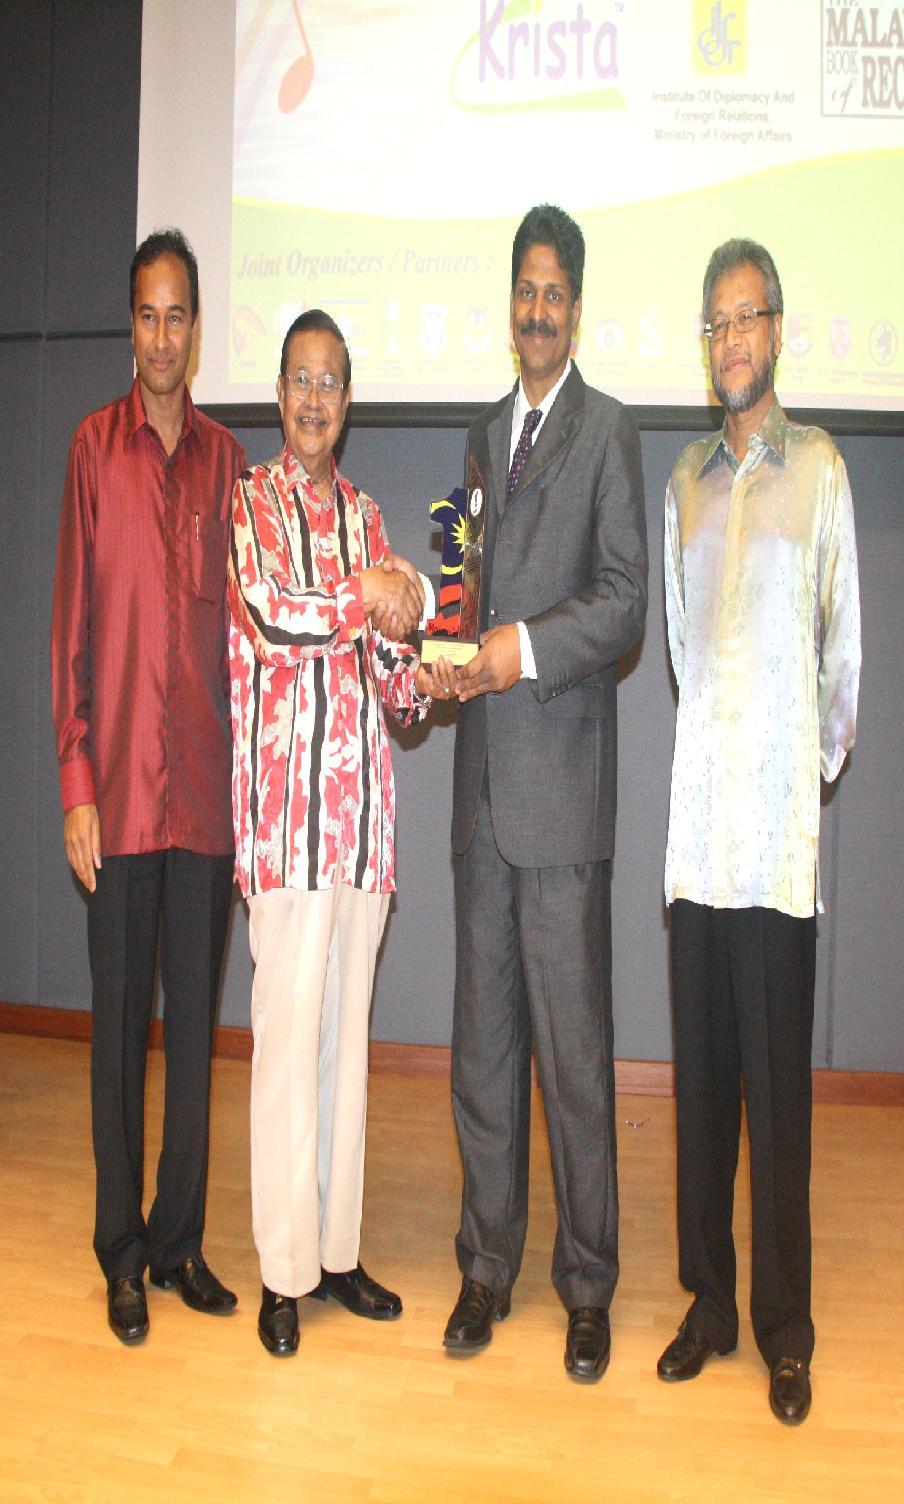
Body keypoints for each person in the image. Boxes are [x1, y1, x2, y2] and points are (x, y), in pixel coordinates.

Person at [442, 205, 648, 1381]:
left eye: (553, 291)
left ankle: (587, 1283)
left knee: (573, 1062)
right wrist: (437, 653)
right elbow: (463, 588)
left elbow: (623, 601)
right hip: (479, 795)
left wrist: (516, 647)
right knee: (481, 1053)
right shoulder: (481, 435)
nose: (536, 309)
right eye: (523, 289)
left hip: (562, 801)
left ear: (576, 305)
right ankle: (485, 1266)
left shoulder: (607, 431)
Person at [658, 239, 861, 1425]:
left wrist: (795, 780)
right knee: (699, 1094)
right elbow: (683, 652)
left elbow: (843, 660)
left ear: (776, 331)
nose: (732, 339)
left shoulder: (821, 468)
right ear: (707, 346)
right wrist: (723, 765)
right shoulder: (681, 483)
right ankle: (710, 1306)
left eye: (748, 318)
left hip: (777, 852)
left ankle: (784, 1328)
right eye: (716, 322)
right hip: (699, 842)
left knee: (777, 1100)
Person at [229, 309, 455, 1356]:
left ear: (348, 401)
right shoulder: (251, 502)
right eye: (301, 380)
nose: (315, 398)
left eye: (332, 382)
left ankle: (335, 1252)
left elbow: (396, 693)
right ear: (279, 395)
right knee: (284, 1049)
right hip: (286, 829)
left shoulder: (369, 518)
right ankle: (282, 1272)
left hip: (361, 833)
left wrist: (428, 649)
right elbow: (277, 616)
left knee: (342, 1051)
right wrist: (371, 595)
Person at [51, 229, 246, 1343]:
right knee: (121, 1036)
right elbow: (70, 629)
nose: (162, 336)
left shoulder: (229, 464)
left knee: (195, 1040)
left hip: (207, 801)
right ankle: (121, 1251)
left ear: (198, 329)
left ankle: (178, 1243)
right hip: (119, 799)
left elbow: (251, 638)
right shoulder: (93, 449)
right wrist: (76, 779)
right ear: (130, 325)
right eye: (147, 315)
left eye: (178, 316)